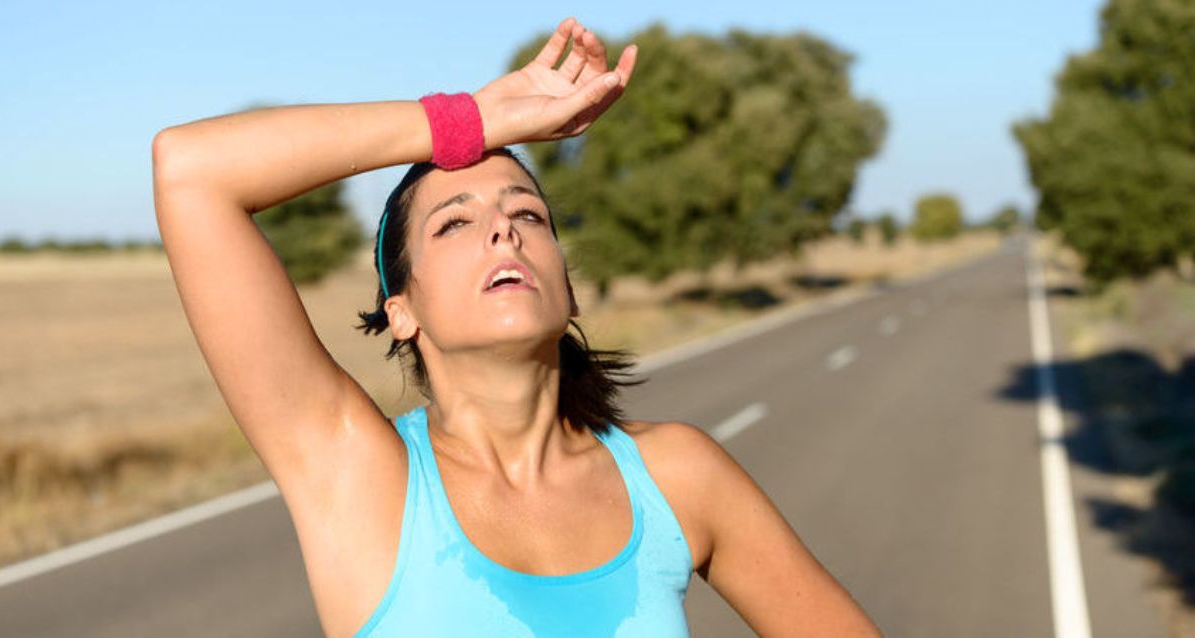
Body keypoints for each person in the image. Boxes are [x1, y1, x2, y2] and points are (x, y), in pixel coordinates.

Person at [151, 16, 881, 638]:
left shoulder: (677, 476)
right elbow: (191, 170)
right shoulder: (362, 477)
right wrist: (470, 121)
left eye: (527, 213)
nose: (503, 229)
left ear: (569, 290)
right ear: (400, 309)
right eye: (456, 222)